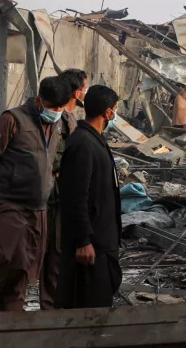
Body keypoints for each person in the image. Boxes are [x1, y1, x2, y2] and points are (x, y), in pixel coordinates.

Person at [0, 76, 70, 312]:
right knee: (10, 257)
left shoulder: (61, 124)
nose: (56, 112)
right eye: (52, 107)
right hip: (9, 202)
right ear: (39, 101)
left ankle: (11, 315)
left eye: (60, 108)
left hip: (39, 206)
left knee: (26, 264)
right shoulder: (12, 119)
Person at [56, 85, 122, 309]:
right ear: (108, 113)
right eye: (115, 109)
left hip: (103, 242)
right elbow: (74, 197)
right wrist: (83, 240)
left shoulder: (95, 140)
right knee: (86, 308)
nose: (115, 114)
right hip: (91, 246)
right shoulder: (83, 144)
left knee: (101, 303)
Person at [40, 67, 86, 310]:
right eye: (84, 89)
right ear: (77, 93)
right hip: (51, 197)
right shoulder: (58, 120)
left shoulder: (69, 120)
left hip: (59, 196)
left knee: (57, 254)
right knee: (51, 254)